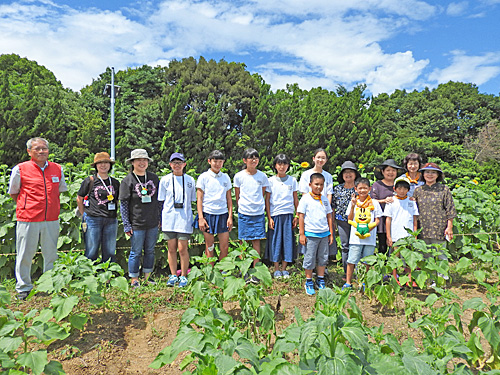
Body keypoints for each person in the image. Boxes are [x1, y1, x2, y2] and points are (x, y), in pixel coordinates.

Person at [8, 137, 68, 300]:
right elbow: (14, 192)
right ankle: (23, 287)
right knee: (25, 254)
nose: (42, 151)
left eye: (44, 148)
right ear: (29, 152)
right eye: (37, 149)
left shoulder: (57, 169)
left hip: (51, 219)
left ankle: (51, 286)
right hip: (28, 219)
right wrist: (28, 206)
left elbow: (60, 190)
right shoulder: (20, 169)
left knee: (51, 255)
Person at [119, 149, 160, 289]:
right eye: (138, 160)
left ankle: (148, 277)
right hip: (136, 223)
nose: (142, 162)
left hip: (153, 222)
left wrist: (159, 218)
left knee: (150, 250)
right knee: (135, 252)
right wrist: (126, 225)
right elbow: (123, 204)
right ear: (133, 163)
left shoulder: (154, 178)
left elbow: (159, 201)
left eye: (144, 160)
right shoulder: (127, 181)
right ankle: (134, 278)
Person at [159, 152, 196, 288]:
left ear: (184, 164)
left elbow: (193, 199)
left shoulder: (190, 180)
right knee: (171, 248)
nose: (177, 165)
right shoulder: (165, 180)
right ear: (170, 165)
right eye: (174, 163)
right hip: (169, 218)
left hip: (184, 219)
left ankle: (184, 276)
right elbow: (161, 200)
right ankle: (173, 275)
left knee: (182, 249)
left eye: (179, 162)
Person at [234, 148, 269, 283]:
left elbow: (263, 193)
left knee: (257, 241)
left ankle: (256, 271)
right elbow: (237, 195)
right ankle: (245, 270)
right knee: (244, 242)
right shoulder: (239, 176)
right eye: (251, 158)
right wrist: (242, 206)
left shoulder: (262, 176)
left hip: (258, 213)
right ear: (245, 160)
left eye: (256, 158)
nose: (254, 160)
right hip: (244, 212)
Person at [76, 152, 120, 263]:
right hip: (93, 219)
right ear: (95, 166)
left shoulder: (115, 182)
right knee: (92, 250)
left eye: (106, 163)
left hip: (111, 219)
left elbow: (117, 200)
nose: (103, 165)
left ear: (110, 165)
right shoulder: (90, 180)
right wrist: (83, 214)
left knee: (110, 250)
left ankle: (108, 275)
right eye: (100, 163)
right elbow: (79, 198)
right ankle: (90, 276)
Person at [297, 173, 334, 296]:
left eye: (321, 185)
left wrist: (331, 233)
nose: (319, 187)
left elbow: (329, 215)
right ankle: (308, 281)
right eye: (316, 184)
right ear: (310, 185)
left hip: (324, 233)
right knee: (309, 258)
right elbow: (301, 216)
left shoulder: (324, 199)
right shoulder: (305, 199)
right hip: (311, 234)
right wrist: (302, 234)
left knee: (323, 258)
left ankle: (320, 279)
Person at [343, 177, 383, 290]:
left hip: (370, 238)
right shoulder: (353, 202)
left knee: (368, 261)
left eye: (365, 188)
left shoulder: (374, 203)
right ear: (356, 189)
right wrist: (352, 206)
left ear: (370, 189)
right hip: (355, 238)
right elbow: (349, 219)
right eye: (360, 188)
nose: (362, 191)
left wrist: (368, 229)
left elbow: (378, 220)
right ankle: (348, 282)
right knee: (351, 260)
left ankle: (365, 282)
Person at [264, 154, 299, 279]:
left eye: (284, 164)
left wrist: (297, 215)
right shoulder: (270, 181)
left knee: (288, 242)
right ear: (275, 166)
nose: (282, 166)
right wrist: (269, 218)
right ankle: (276, 269)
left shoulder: (293, 180)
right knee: (275, 242)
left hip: (288, 215)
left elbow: (295, 199)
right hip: (275, 215)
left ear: (288, 166)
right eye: (279, 164)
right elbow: (267, 200)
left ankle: (284, 269)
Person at [413, 162, 456, 261]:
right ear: (423, 174)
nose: (430, 175)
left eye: (433, 172)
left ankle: (442, 276)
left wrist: (449, 227)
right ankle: (429, 276)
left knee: (441, 255)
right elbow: (414, 210)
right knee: (425, 255)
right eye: (427, 172)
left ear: (438, 175)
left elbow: (450, 210)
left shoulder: (444, 189)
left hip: (439, 228)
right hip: (422, 228)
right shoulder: (418, 190)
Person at [298, 148, 336, 258]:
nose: (320, 160)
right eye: (318, 157)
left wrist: (324, 209)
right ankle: (311, 267)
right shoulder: (306, 174)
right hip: (310, 211)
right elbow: (304, 194)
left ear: (326, 160)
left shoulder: (328, 176)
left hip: (323, 210)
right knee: (310, 241)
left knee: (324, 240)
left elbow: (329, 194)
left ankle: (322, 267)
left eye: (323, 158)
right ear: (313, 159)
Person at [196, 150, 233, 263]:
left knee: (224, 247)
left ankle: (223, 270)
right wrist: (201, 218)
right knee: (210, 246)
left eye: (220, 162)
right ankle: (211, 272)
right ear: (209, 161)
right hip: (208, 214)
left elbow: (229, 199)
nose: (217, 164)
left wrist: (230, 217)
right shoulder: (203, 177)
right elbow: (199, 199)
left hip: (223, 214)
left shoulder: (226, 177)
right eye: (215, 161)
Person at [384, 176, 419, 285]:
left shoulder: (411, 201)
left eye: (404, 188)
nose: (402, 191)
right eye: (399, 188)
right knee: (395, 258)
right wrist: (388, 236)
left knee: (409, 258)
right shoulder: (391, 201)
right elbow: (388, 220)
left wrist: (415, 234)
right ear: (394, 189)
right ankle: (395, 279)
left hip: (408, 236)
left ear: (408, 190)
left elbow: (414, 219)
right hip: (395, 235)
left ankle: (409, 278)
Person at [370, 159, 404, 255]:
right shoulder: (377, 185)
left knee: (396, 247)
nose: (391, 173)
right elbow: (371, 201)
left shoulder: (400, 184)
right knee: (383, 246)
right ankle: (383, 268)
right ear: (382, 171)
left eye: (393, 170)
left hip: (396, 220)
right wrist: (384, 201)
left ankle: (394, 268)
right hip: (382, 220)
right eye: (388, 170)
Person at [332, 161, 360, 275]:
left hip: (358, 221)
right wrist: (333, 221)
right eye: (345, 172)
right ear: (342, 175)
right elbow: (333, 205)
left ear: (355, 174)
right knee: (345, 246)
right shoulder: (337, 189)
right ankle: (346, 272)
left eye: (351, 172)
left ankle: (358, 273)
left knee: (357, 245)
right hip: (342, 221)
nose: (348, 174)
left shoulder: (359, 189)